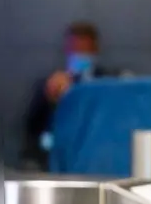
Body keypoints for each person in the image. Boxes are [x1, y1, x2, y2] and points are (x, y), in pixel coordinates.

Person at [22, 21, 121, 170]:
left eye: (84, 49)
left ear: (95, 50)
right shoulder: (50, 83)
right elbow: (32, 126)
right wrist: (50, 99)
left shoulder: (110, 83)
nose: (79, 54)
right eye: (75, 49)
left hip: (99, 155)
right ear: (67, 50)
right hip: (58, 155)